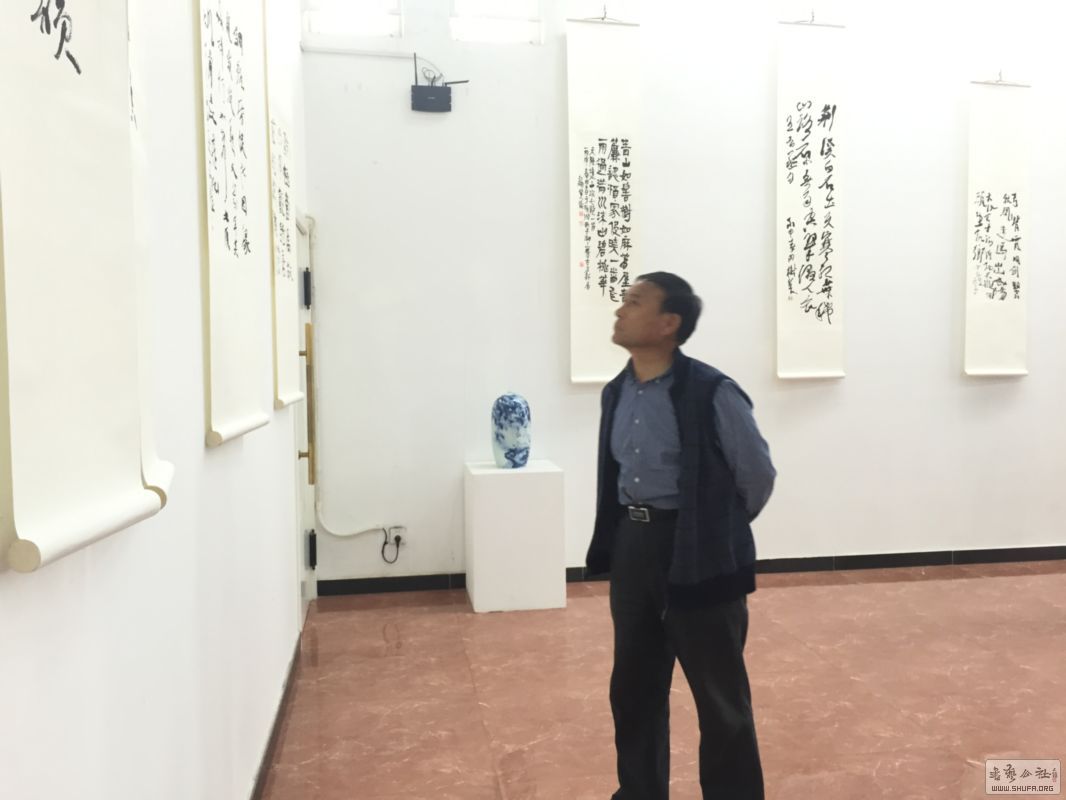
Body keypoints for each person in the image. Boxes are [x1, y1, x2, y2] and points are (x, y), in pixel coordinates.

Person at [586, 272, 775, 800]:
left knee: (720, 699)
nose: (620, 311)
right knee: (634, 689)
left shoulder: (712, 391)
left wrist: (714, 531)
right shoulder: (617, 392)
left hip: (697, 552)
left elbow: (756, 475)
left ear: (668, 323)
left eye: (634, 302)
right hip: (633, 546)